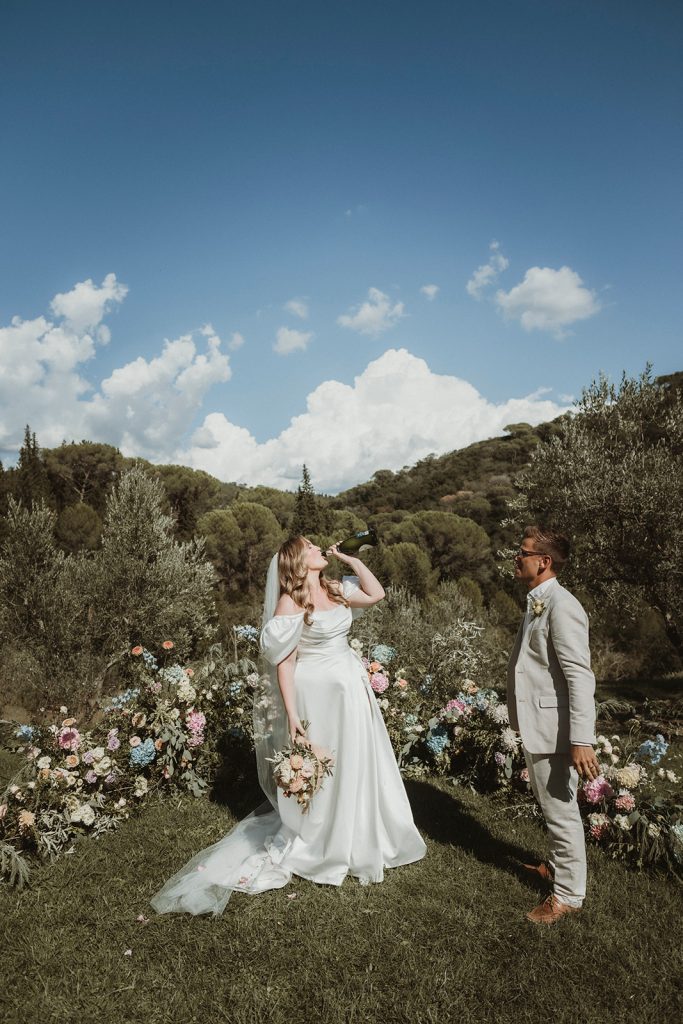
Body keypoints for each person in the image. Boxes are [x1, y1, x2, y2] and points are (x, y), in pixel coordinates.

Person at [150, 535, 425, 915]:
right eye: (312, 548)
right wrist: (293, 715)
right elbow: (286, 663)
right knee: (327, 766)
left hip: (351, 689)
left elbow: (376, 594)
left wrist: (350, 559)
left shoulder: (335, 587)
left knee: (356, 759)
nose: (319, 549)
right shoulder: (291, 602)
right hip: (319, 695)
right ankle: (324, 838)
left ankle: (361, 832)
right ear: (299, 561)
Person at [507, 525, 599, 925]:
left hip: (557, 729)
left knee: (561, 812)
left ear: (543, 562)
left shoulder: (562, 606)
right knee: (552, 807)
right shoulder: (536, 601)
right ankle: (557, 869)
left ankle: (568, 896)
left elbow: (580, 677)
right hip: (539, 723)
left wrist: (582, 739)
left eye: (523, 553)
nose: (517, 557)